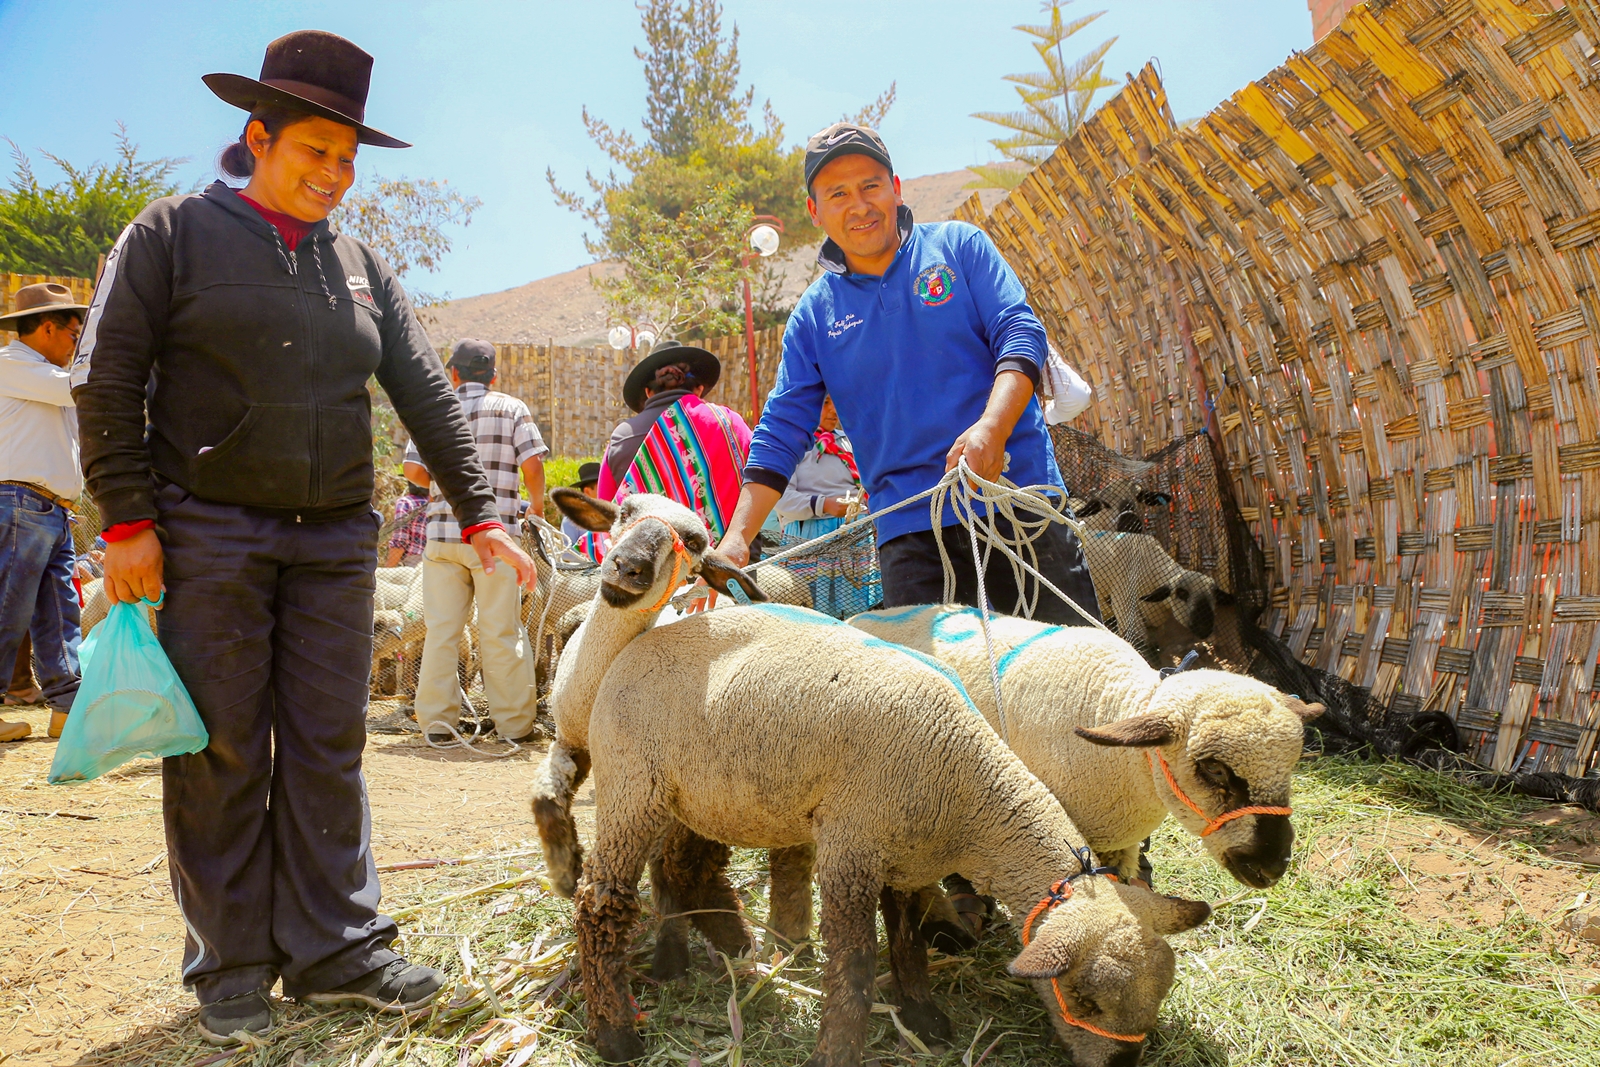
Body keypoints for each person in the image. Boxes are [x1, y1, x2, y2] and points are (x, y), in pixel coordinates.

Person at [72, 32, 535, 1045]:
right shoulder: (172, 234)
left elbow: (424, 393)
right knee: (225, 746)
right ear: (258, 135)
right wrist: (127, 521)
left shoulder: (360, 264)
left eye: (346, 159)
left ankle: (338, 950)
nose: (332, 174)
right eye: (314, 150)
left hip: (333, 539)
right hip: (207, 531)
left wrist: (487, 513)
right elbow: (103, 378)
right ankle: (232, 960)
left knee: (330, 744)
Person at [710, 122, 1098, 625]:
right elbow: (782, 429)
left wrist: (992, 429)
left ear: (895, 187)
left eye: (871, 185)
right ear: (815, 211)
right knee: (937, 700)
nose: (859, 204)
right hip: (910, 537)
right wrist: (737, 539)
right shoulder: (813, 316)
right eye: (838, 193)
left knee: (1076, 680)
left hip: (1018, 500)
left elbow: (1020, 335)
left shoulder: (960, 248)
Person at [402, 339, 546, 743]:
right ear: (493, 376)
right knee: (500, 629)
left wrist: (440, 482)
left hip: (444, 537)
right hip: (498, 539)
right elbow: (532, 464)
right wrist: (535, 505)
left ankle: (437, 724)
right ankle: (514, 726)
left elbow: (412, 468)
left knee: (442, 630)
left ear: (453, 373)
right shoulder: (512, 408)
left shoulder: (436, 409)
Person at [1, 282, 89, 743]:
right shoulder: (11, 364)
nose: (77, 343)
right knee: (8, 609)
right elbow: (81, 388)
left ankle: (68, 708)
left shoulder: (44, 377)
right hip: (19, 502)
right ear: (48, 327)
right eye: (75, 334)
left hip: (50, 509)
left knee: (60, 610)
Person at [597, 339, 751, 547]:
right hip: (731, 569)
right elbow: (759, 483)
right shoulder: (731, 424)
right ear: (698, 389)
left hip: (647, 574)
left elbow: (605, 519)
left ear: (648, 393)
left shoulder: (622, 437)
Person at [773, 396, 880, 615]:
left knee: (856, 610)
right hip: (813, 537)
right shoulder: (793, 444)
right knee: (814, 612)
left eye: (836, 402)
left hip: (855, 537)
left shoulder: (850, 441)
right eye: (825, 403)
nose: (833, 411)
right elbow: (781, 499)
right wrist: (824, 505)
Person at [383, 479, 428, 566]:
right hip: (437, 561)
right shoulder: (438, 503)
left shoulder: (406, 503)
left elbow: (400, 540)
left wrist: (389, 567)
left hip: (414, 563)